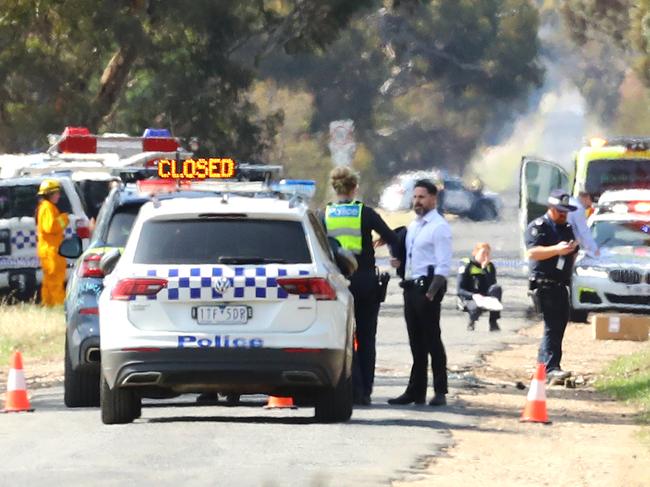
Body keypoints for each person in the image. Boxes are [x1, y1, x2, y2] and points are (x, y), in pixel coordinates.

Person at [323, 166, 398, 406]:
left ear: (334, 188)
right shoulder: (365, 213)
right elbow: (394, 237)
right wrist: (381, 241)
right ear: (355, 188)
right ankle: (365, 390)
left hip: (337, 283)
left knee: (342, 337)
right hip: (365, 281)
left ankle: (351, 387)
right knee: (366, 337)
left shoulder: (323, 214)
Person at [388, 179, 452, 407]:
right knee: (416, 342)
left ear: (433, 199)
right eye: (415, 197)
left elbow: (443, 265)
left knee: (432, 339)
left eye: (422, 197)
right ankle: (416, 391)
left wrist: (431, 293)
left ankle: (440, 390)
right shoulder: (414, 226)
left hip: (428, 288)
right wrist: (399, 262)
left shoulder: (439, 227)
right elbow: (412, 257)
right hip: (411, 286)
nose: (417, 201)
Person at [525, 189, 579, 382]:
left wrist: (571, 251)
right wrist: (556, 249)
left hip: (561, 284)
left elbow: (573, 252)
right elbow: (533, 252)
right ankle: (550, 368)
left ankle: (544, 367)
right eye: (560, 210)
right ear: (550, 208)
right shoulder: (540, 226)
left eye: (566, 211)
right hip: (544, 284)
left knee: (559, 325)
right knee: (552, 325)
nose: (564, 214)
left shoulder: (566, 227)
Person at [35, 179, 69, 306]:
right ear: (50, 194)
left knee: (49, 280)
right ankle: (59, 305)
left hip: (49, 249)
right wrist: (64, 219)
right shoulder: (48, 208)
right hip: (51, 250)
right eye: (57, 193)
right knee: (55, 280)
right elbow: (50, 227)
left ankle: (48, 304)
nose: (59, 195)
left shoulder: (46, 207)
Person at [457, 242, 502, 332]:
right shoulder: (466, 265)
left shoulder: (490, 266)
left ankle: (493, 322)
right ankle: (471, 321)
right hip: (469, 297)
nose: (485, 256)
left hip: (484, 296)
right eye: (483, 253)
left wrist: (484, 268)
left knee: (497, 289)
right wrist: (473, 295)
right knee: (476, 307)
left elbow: (492, 285)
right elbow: (460, 290)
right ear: (475, 253)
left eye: (487, 254)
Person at [568, 191, 599, 257]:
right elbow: (584, 231)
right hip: (568, 244)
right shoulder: (578, 208)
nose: (590, 206)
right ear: (586, 198)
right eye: (590, 202)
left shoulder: (570, 201)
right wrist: (594, 249)